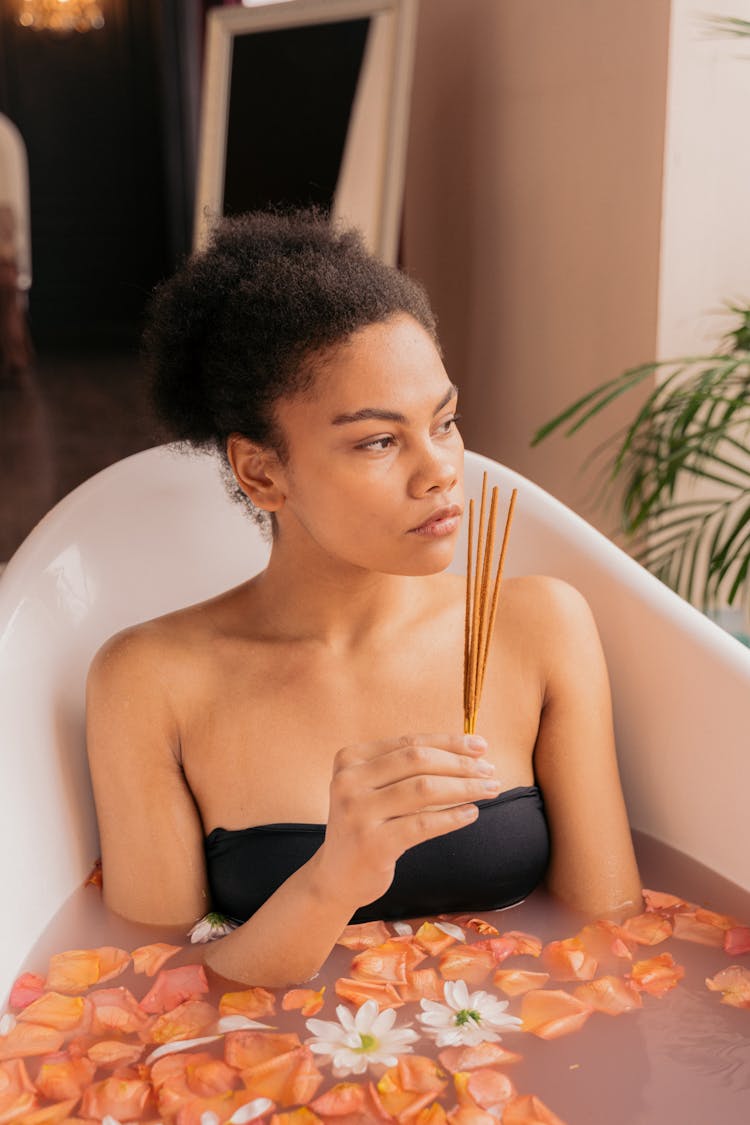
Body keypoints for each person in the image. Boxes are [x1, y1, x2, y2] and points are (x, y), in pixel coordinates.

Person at [85, 208, 642, 987]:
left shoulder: (537, 625)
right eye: (380, 440)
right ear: (262, 473)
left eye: (444, 421)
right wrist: (334, 878)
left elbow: (614, 932)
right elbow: (157, 992)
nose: (440, 469)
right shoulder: (149, 681)